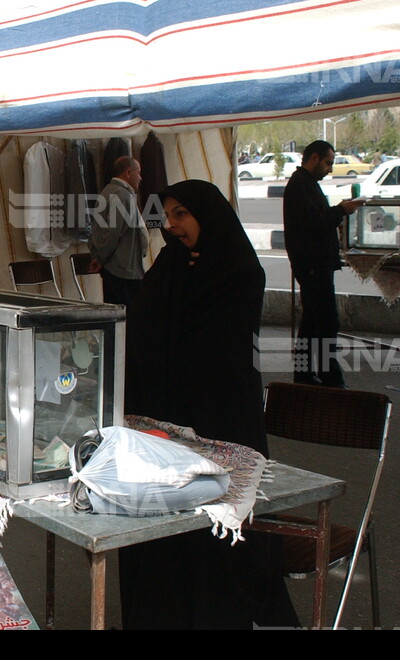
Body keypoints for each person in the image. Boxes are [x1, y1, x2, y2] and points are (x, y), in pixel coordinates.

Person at [119, 179, 299, 629]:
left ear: (208, 214)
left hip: (221, 416)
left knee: (217, 528)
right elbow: (142, 324)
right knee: (163, 531)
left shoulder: (239, 269)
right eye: (170, 216)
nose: (174, 226)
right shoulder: (172, 263)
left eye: (183, 214)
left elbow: (215, 350)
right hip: (168, 416)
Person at [283, 140, 363, 388]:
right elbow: (312, 224)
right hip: (313, 265)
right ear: (314, 158)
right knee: (326, 323)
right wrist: (340, 211)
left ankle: (305, 375)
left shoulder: (306, 185)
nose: (329, 169)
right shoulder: (300, 185)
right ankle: (330, 379)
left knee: (312, 323)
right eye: (328, 162)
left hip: (315, 264)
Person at [88, 156, 149, 306]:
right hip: (123, 271)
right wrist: (100, 258)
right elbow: (112, 233)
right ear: (128, 172)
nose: (140, 178)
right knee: (130, 317)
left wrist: (98, 257)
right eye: (138, 172)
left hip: (114, 268)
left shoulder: (108, 192)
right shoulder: (121, 195)